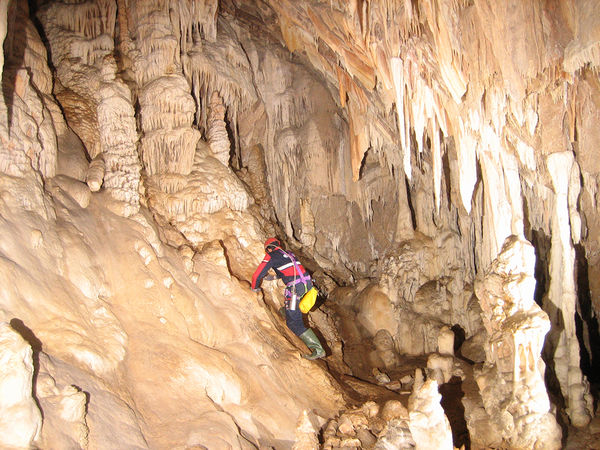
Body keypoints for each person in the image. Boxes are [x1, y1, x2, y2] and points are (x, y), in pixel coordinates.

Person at [251, 238, 325, 360]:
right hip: (308, 285)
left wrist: (254, 288)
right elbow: (286, 271)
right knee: (289, 308)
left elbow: (257, 274)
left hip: (296, 289)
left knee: (293, 323)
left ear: (268, 248)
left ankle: (318, 349)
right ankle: (286, 312)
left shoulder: (271, 255)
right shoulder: (289, 254)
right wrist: (273, 278)